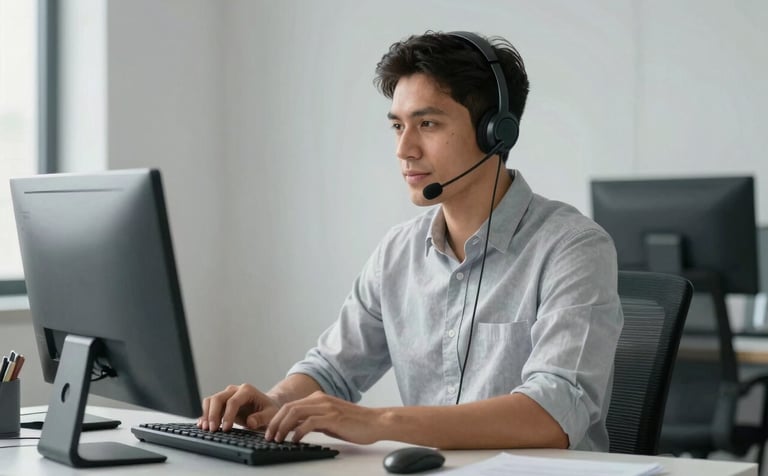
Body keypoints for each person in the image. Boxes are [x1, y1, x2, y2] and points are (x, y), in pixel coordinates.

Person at [199, 31, 623, 451]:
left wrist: (379, 422)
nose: (404, 148)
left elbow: (553, 413)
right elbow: (332, 370)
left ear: (496, 133)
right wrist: (275, 403)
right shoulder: (399, 251)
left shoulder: (572, 247)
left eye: (428, 124)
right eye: (398, 126)